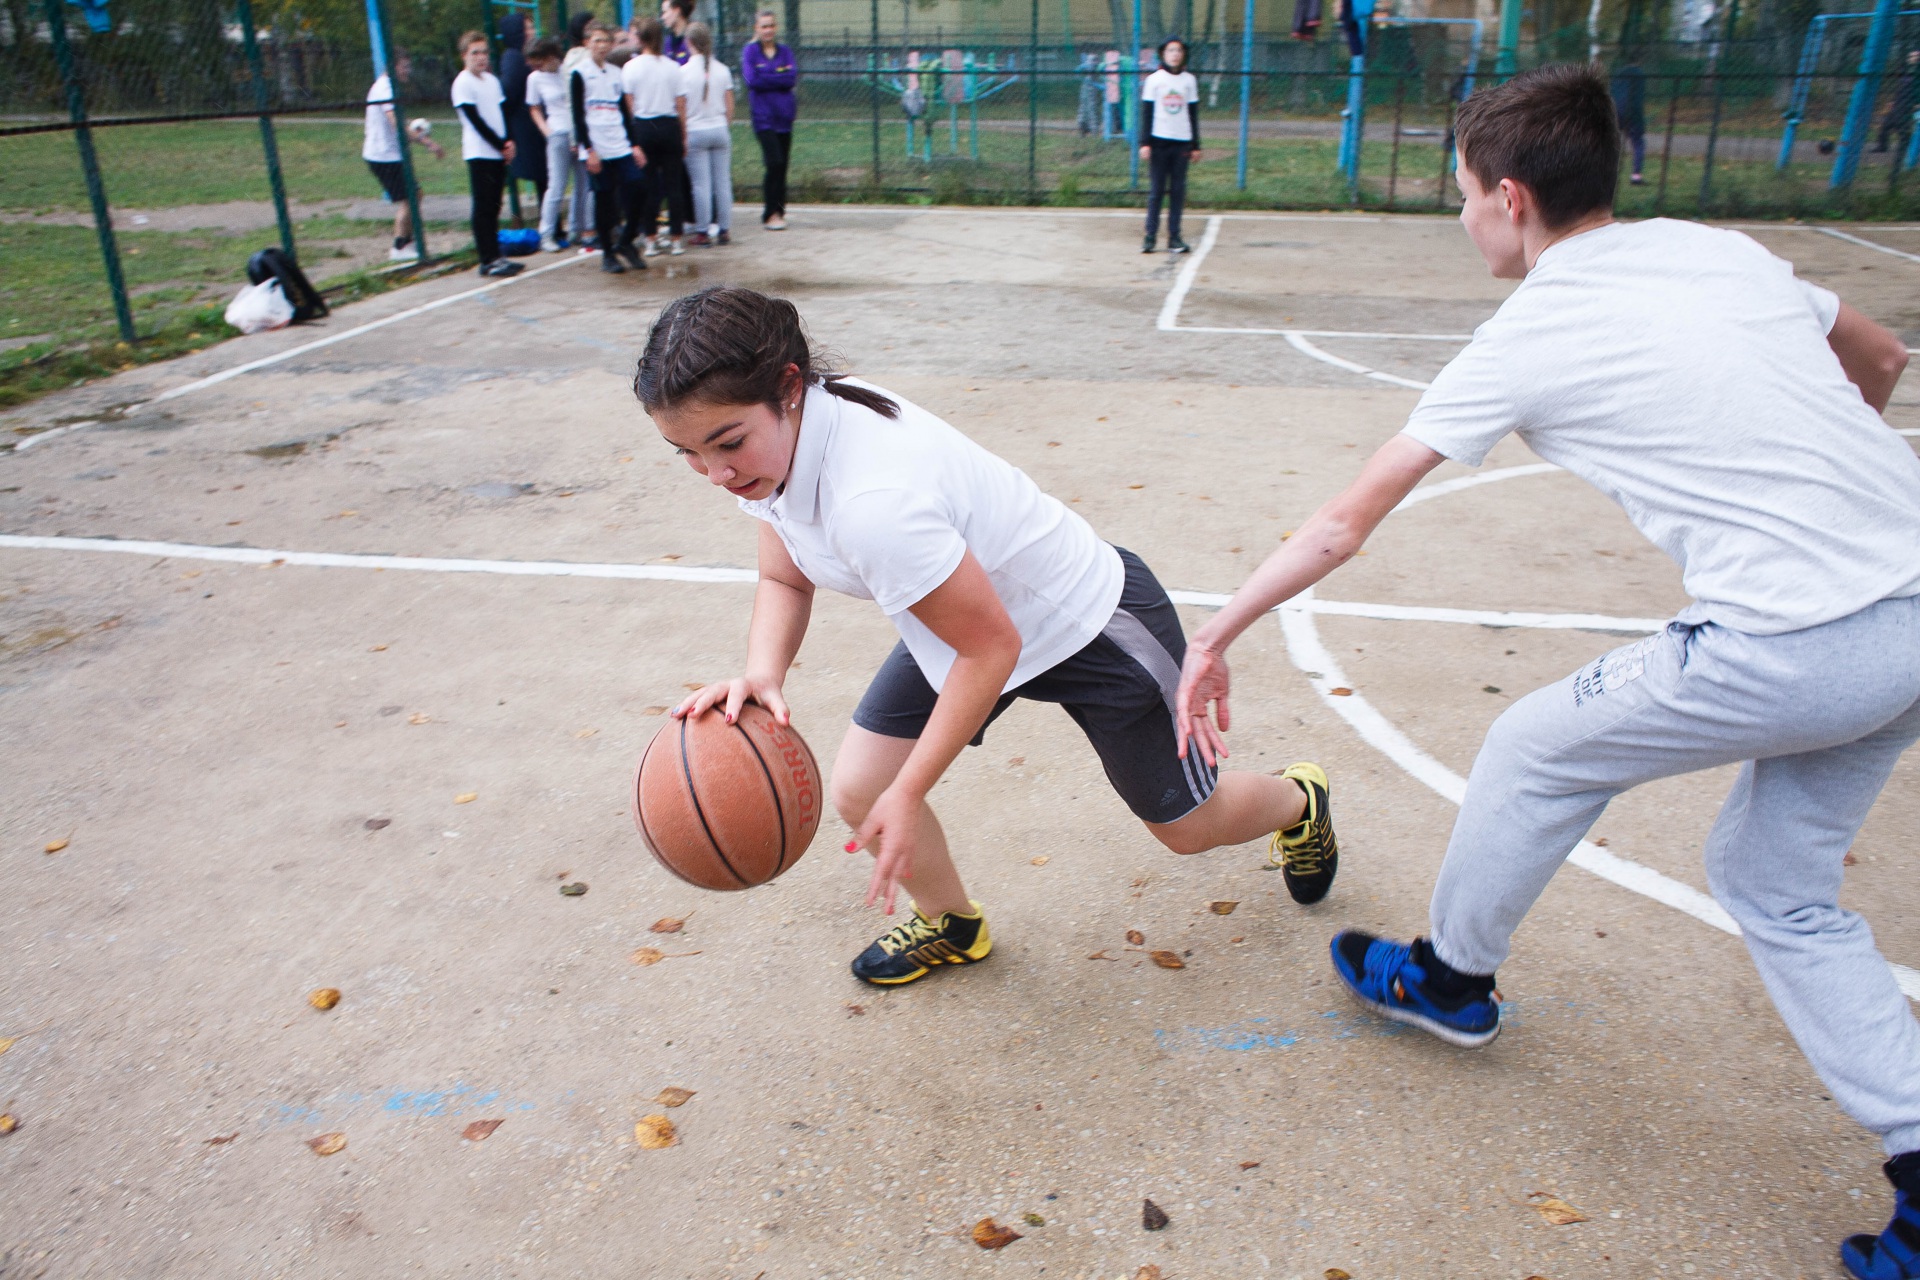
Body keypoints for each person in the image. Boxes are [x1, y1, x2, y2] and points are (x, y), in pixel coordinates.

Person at [1172, 65, 1918, 1280]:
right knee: (1772, 877)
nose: (1461, 215)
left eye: (1461, 193)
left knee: (1528, 745)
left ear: (1509, 197)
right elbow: (1879, 358)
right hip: (1913, 603)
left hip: (1797, 637)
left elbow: (1343, 522)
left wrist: (1217, 632)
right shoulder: (1716, 250)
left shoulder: (1531, 331)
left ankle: (1450, 978)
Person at [644, 285, 1341, 988]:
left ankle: (1299, 801)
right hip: (957, 615)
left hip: (1083, 624)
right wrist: (765, 673)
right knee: (864, 787)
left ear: (789, 387)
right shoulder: (778, 448)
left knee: (1188, 829)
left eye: (727, 443)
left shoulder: (873, 502)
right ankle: (953, 923)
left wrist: (913, 792)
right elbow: (785, 575)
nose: (717, 475)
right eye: (688, 454)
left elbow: (992, 649)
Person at [570, 21, 647, 274]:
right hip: (597, 147)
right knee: (604, 200)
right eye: (596, 41)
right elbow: (578, 116)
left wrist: (635, 144)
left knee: (638, 188)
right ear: (586, 43)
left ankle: (625, 241)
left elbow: (625, 113)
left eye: (605, 41)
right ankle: (608, 253)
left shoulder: (616, 73)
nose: (601, 46)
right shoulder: (579, 73)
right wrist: (588, 149)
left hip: (620, 145)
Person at [450, 31, 523, 277]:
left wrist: (509, 141)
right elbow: (476, 122)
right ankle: (487, 259)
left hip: (498, 152)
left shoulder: (491, 81)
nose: (481, 58)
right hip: (480, 152)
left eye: (484, 52)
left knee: (494, 204)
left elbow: (502, 113)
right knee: (483, 206)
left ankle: (497, 255)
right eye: (475, 53)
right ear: (464, 56)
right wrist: (500, 144)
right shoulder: (463, 82)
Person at [364, 51, 444, 262]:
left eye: (409, 66)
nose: (407, 71)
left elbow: (399, 122)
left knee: (414, 195)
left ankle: (406, 241)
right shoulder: (385, 87)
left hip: (390, 154)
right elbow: (396, 124)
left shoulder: (389, 87)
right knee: (410, 197)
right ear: (392, 66)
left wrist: (413, 131)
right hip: (383, 156)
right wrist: (427, 142)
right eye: (404, 66)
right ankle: (399, 246)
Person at [624, 17, 690, 256]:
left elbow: (629, 105)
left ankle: (650, 238)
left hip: (644, 126)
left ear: (641, 38)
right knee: (674, 185)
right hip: (669, 125)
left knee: (649, 185)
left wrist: (636, 134)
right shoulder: (673, 67)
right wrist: (683, 135)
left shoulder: (631, 67)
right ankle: (675, 238)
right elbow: (681, 104)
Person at [1139, 38, 1200, 255]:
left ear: (1183, 54)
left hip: (1181, 142)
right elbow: (1147, 113)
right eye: (1170, 50)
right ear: (1163, 54)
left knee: (1177, 191)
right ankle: (1150, 237)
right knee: (1156, 191)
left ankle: (1174, 237)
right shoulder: (1154, 80)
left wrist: (1195, 145)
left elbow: (1192, 114)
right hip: (1159, 142)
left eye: (1179, 50)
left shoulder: (1189, 80)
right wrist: (1145, 142)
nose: (1175, 54)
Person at [678, 22, 734, 246]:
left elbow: (680, 107)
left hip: (695, 130)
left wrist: (683, 133)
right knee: (722, 181)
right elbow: (729, 105)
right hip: (719, 127)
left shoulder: (682, 72)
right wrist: (724, 123)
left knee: (701, 184)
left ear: (688, 42)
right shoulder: (722, 69)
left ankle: (702, 231)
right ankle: (724, 229)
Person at [740, 9, 796, 230]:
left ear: (776, 27)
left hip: (785, 118)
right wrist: (778, 78)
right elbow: (752, 81)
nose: (768, 30)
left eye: (771, 25)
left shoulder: (785, 52)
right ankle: (769, 212)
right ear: (757, 29)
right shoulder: (750, 52)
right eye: (764, 26)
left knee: (783, 166)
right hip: (763, 118)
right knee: (774, 162)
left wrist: (769, 78)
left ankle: (780, 212)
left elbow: (791, 78)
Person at [498, 15, 548, 215]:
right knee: (541, 174)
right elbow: (509, 91)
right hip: (526, 124)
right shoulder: (514, 57)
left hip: (528, 122)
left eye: (532, 28)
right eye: (526, 29)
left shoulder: (519, 55)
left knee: (543, 175)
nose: (532, 32)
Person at [527, 38, 574, 252]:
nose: (540, 67)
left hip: (576, 132)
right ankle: (546, 233)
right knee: (556, 185)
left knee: (583, 184)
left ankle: (579, 229)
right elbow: (534, 107)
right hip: (557, 132)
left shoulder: (566, 70)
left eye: (542, 61)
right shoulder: (535, 79)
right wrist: (547, 131)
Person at [562, 11, 599, 250]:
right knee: (588, 184)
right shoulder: (580, 59)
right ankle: (586, 229)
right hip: (584, 130)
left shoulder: (573, 57)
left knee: (583, 183)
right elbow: (576, 101)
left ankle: (578, 226)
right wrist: (578, 137)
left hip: (581, 129)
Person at [1875, 49, 1919, 157]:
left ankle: (1908, 146)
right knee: (1886, 124)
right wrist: (1893, 101)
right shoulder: (1907, 71)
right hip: (1899, 101)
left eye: (1915, 57)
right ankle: (1882, 146)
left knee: (1900, 125)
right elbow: (1900, 88)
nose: (1912, 59)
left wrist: (1917, 104)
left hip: (1909, 103)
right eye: (1911, 57)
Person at [1611, 57, 1646, 184]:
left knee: (1612, 143)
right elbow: (1638, 97)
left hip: (1616, 111)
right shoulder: (1639, 75)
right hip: (1632, 112)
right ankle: (1636, 176)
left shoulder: (1618, 74)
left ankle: (1608, 174)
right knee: (1638, 142)